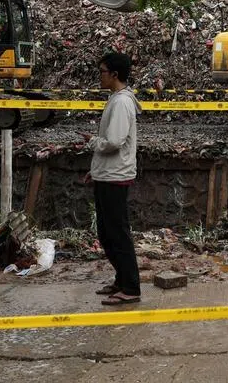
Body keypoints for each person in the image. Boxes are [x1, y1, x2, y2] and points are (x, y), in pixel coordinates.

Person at [87, 51, 142, 306]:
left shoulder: (121, 102)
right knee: (108, 233)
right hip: (107, 174)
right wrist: (95, 171)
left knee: (117, 233)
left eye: (102, 71)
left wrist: (93, 143)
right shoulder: (117, 99)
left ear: (115, 74)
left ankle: (130, 287)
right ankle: (121, 280)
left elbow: (114, 141)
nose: (100, 76)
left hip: (115, 177)